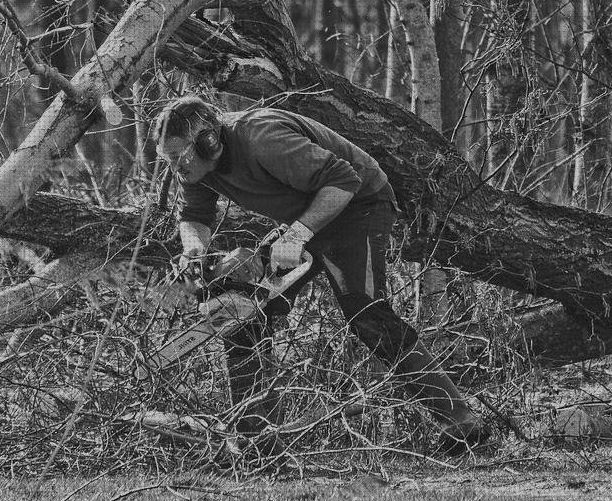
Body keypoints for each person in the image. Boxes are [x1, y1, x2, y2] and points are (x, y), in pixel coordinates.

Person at [154, 93, 493, 456]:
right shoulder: (196, 169)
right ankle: (256, 440)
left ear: (208, 141)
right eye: (168, 159)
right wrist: (193, 250)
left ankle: (461, 421)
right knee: (241, 310)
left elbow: (344, 179)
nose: (175, 168)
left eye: (179, 157)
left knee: (366, 315)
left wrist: (297, 235)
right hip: (304, 216)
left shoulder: (263, 138)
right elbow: (194, 215)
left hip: (357, 205)